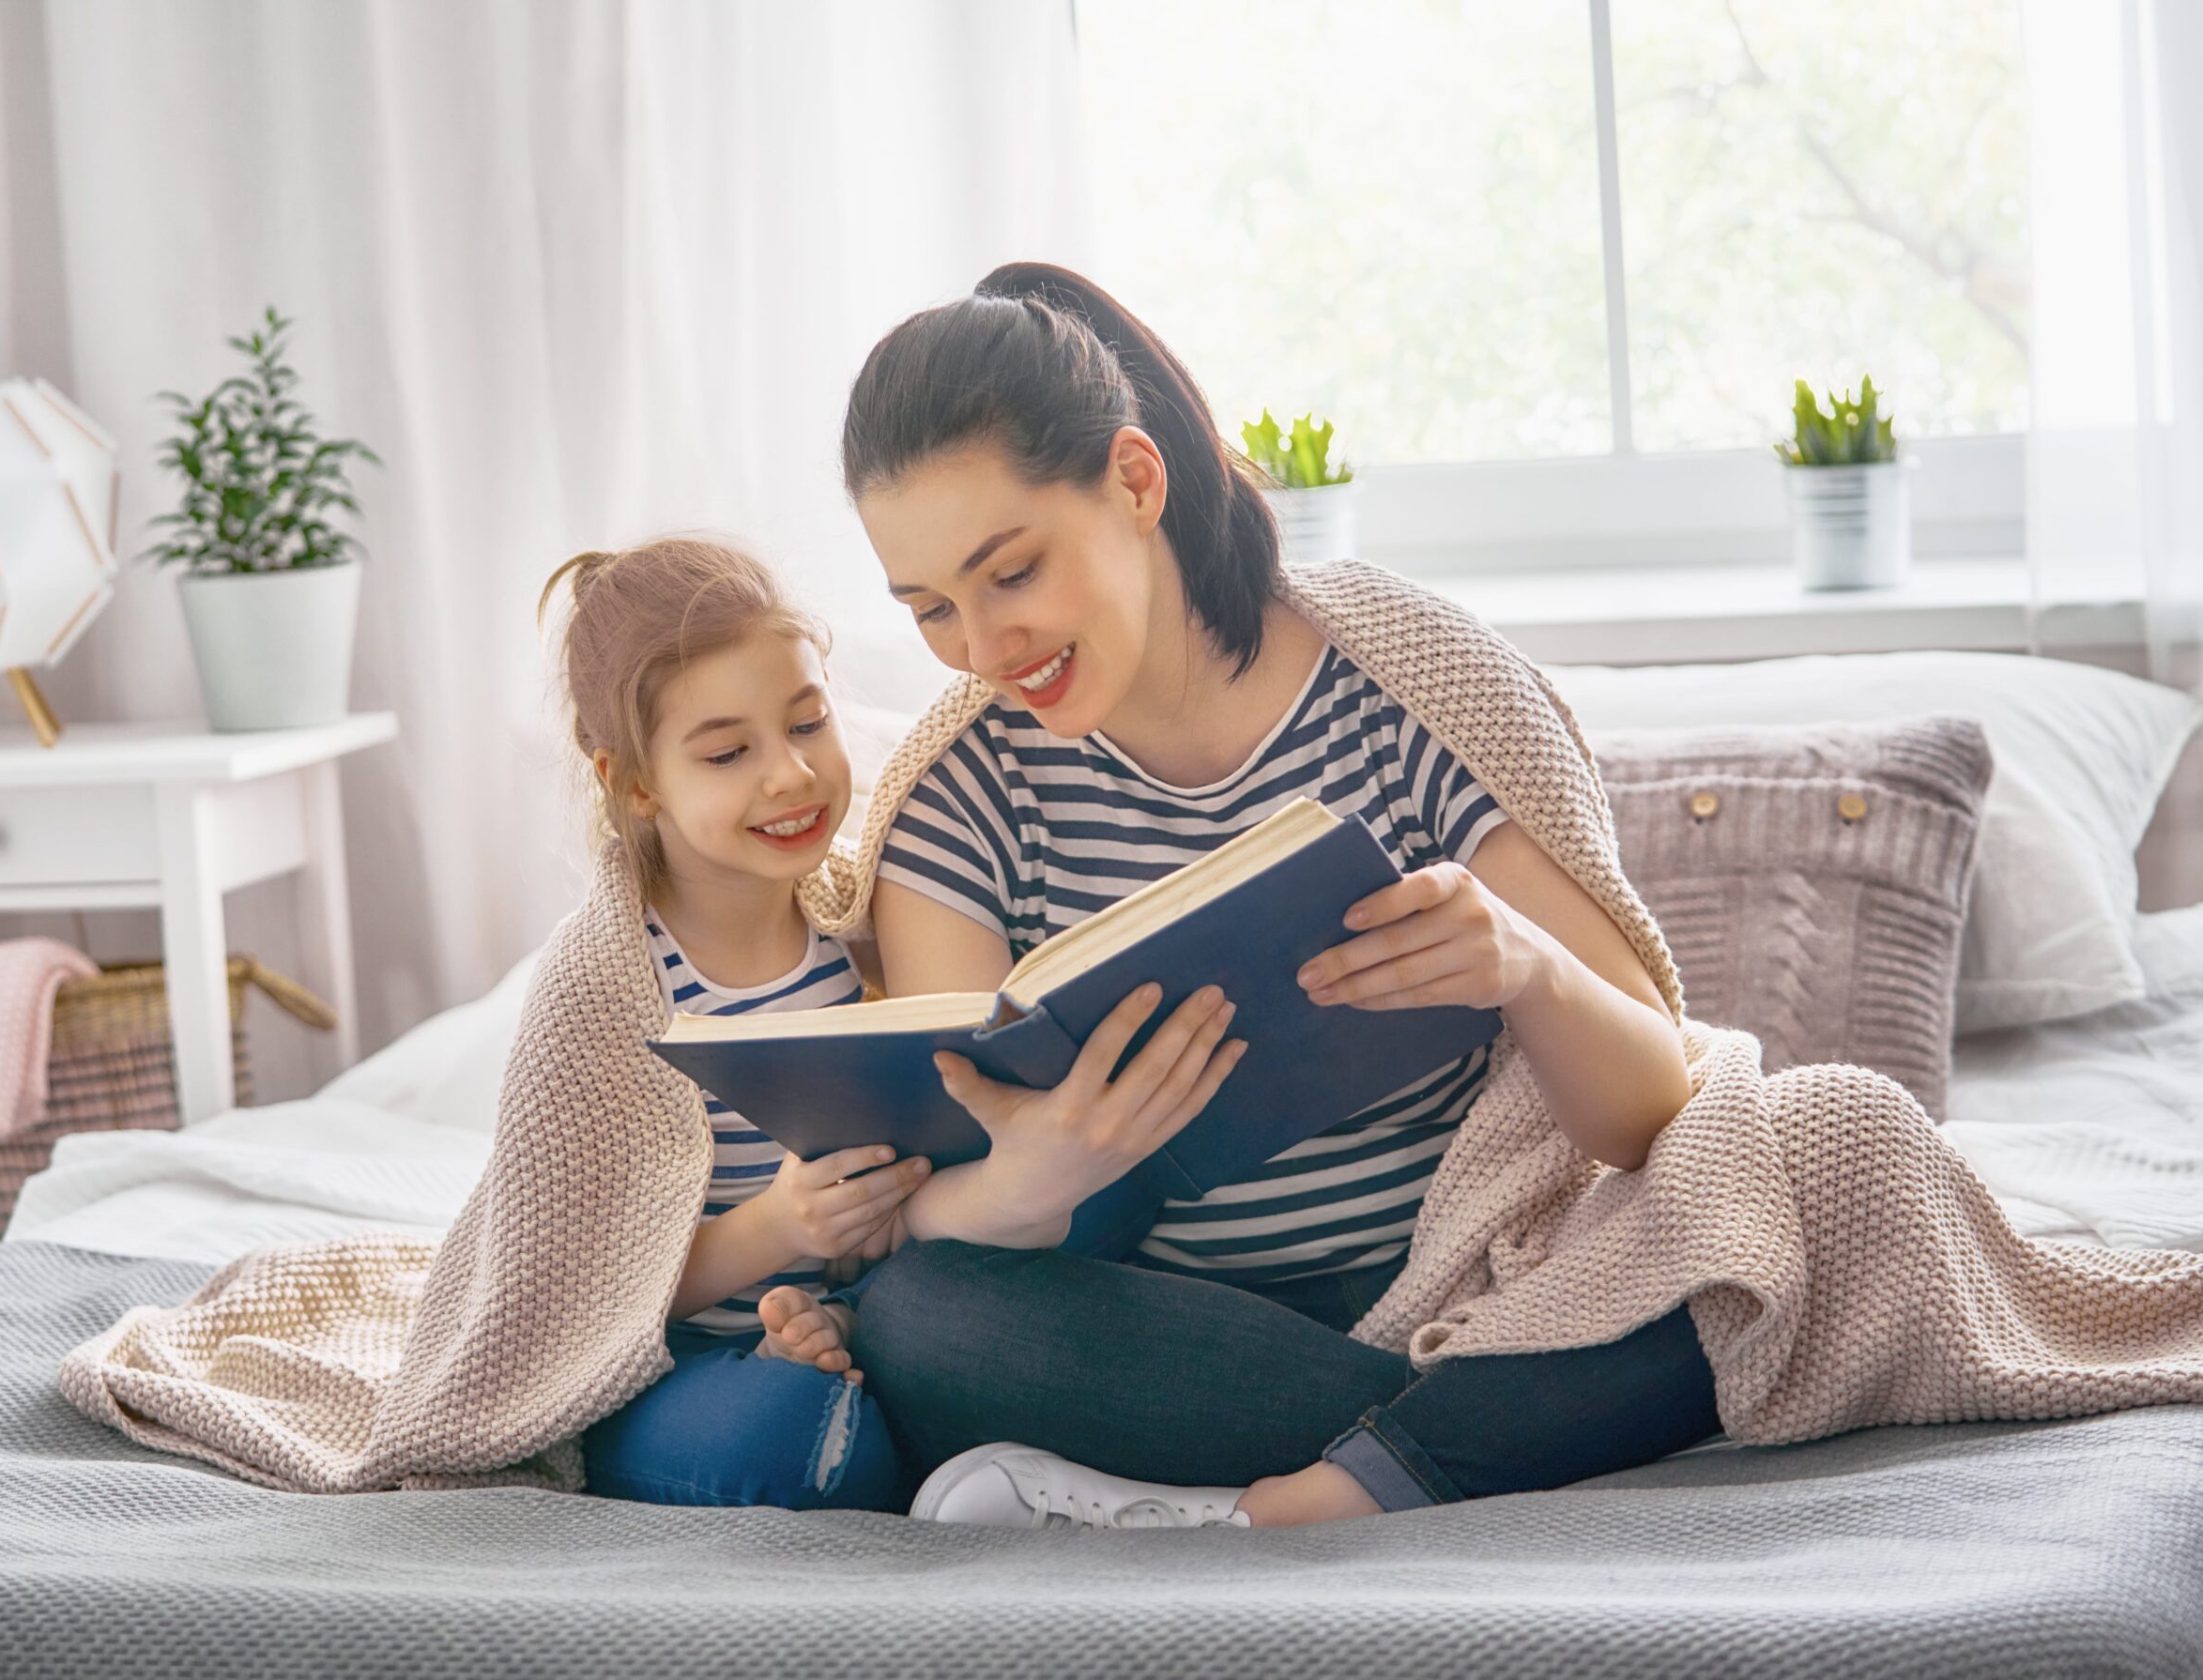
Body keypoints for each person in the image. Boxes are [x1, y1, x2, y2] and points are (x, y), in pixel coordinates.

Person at [838, 263, 1722, 1529]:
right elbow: (935, 1211)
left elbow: (1650, 1113)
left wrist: (1525, 963)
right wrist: (1033, 1177)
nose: (984, 648)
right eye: (930, 609)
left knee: (1816, 1167)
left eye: (1012, 573)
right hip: (1165, 1326)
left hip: (1474, 1277)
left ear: (1135, 484)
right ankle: (1453, 1449)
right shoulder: (961, 797)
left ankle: (1290, 1492)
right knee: (918, 1317)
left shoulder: (1408, 689)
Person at [536, 537, 926, 1511]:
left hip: (857, 1328)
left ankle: (862, 1415)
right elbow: (575, 1287)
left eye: (808, 721)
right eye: (727, 752)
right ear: (634, 781)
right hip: (673, 1372)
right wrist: (776, 1228)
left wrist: (845, 1254)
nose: (790, 774)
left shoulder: (864, 931)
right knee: (785, 1440)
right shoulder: (608, 988)